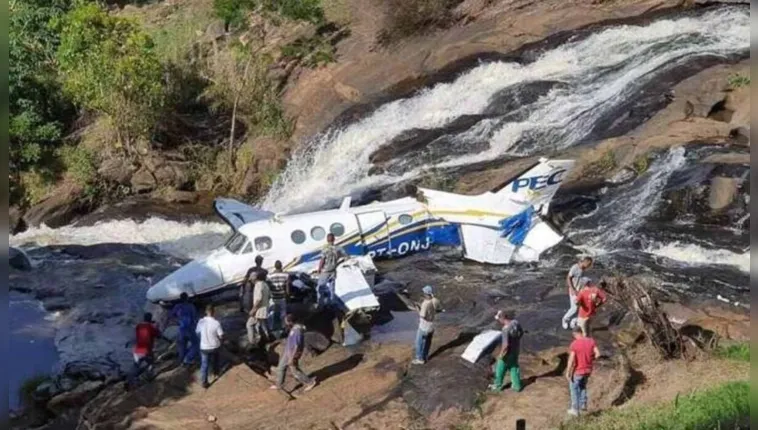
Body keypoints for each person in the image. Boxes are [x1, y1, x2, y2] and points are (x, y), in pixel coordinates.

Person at [270, 314, 317, 392]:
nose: (285, 322)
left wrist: (292, 358)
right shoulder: (294, 328)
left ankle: (310, 382)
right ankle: (279, 384)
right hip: (288, 351)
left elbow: (296, 346)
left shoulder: (297, 331)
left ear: (290, 321)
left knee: (294, 370)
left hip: (293, 353)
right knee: (281, 367)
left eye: (286, 321)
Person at [565, 325, 601, 416]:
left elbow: (571, 359)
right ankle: (583, 404)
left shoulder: (574, 344)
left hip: (578, 370)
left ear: (575, 334)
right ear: (582, 332)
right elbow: (598, 354)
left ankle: (575, 409)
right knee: (583, 386)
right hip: (588, 370)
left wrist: (568, 372)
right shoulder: (591, 341)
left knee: (573, 388)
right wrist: (591, 359)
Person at [127, 312, 166, 389]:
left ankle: (132, 380)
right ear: (150, 319)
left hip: (137, 349)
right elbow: (158, 335)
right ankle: (148, 377)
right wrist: (156, 327)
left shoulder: (138, 326)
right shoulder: (151, 327)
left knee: (136, 365)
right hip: (146, 350)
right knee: (151, 363)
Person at [489, 310, 524, 392]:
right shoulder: (515, 323)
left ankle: (497, 386)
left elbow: (505, 345)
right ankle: (517, 386)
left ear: (502, 318)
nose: (498, 321)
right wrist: (516, 341)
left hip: (507, 352)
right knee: (514, 367)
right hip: (516, 350)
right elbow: (521, 332)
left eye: (498, 319)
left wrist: (501, 355)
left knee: (500, 368)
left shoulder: (505, 329)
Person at [196, 304, 224, 389]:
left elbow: (197, 332)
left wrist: (202, 339)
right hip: (215, 346)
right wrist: (221, 341)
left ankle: (204, 382)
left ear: (206, 312)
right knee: (216, 359)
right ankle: (216, 373)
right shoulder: (216, 323)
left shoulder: (201, 322)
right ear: (213, 312)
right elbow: (221, 335)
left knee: (204, 364)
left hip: (204, 347)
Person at [562, 257, 593, 330]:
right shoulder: (575, 268)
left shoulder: (583, 269)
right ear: (585, 262)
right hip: (574, 291)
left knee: (583, 309)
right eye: (588, 264)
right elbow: (568, 278)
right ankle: (565, 319)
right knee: (574, 308)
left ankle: (573, 321)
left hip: (580, 291)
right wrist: (572, 289)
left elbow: (582, 279)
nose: (588, 266)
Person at [412, 285, 441, 365]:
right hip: (432, 326)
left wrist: (418, 309)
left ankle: (419, 359)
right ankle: (425, 356)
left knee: (419, 343)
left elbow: (422, 316)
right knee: (428, 342)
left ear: (425, 293)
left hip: (424, 327)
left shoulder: (425, 304)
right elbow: (438, 310)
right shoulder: (435, 300)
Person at [317, 233, 347, 306]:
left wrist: (319, 269)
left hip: (325, 271)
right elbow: (346, 257)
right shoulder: (339, 248)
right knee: (332, 288)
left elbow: (322, 260)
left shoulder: (325, 249)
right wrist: (338, 262)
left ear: (327, 239)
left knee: (319, 288)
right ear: (334, 239)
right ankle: (332, 303)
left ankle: (320, 304)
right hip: (333, 271)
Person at [171, 293, 199, 366]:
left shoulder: (177, 306)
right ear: (187, 298)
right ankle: (187, 359)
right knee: (196, 344)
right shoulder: (191, 306)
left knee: (182, 345)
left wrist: (178, 321)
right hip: (190, 329)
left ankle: (181, 360)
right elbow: (195, 317)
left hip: (182, 329)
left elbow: (172, 316)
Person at [247, 270, 271, 348]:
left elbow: (258, 299)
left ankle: (252, 342)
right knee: (262, 325)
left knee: (249, 324)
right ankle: (267, 339)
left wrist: (253, 310)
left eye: (251, 280)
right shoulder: (265, 284)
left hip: (259, 310)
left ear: (254, 279)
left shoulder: (258, 285)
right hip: (264, 308)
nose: (251, 282)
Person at [267, 260, 291, 336]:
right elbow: (287, 288)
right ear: (281, 266)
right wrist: (288, 296)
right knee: (283, 313)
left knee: (271, 313)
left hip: (273, 296)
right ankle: (283, 327)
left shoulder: (269, 276)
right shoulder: (286, 275)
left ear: (275, 266)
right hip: (282, 296)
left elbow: (269, 287)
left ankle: (270, 328)